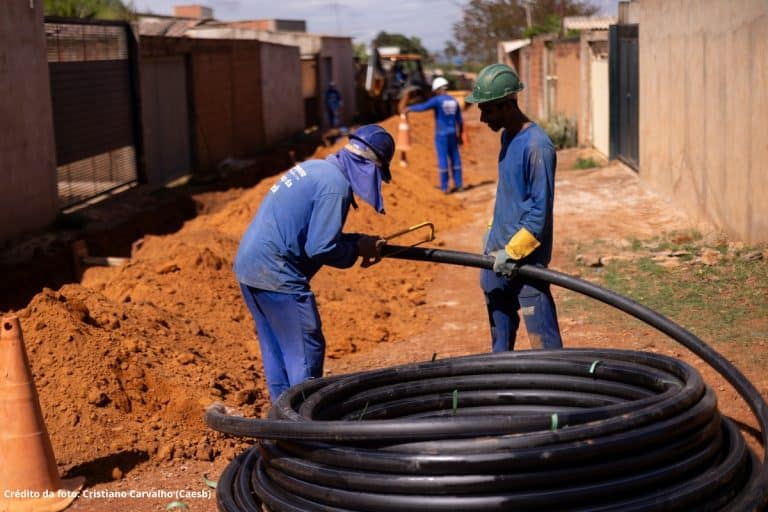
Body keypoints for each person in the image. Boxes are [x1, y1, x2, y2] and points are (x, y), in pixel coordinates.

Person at [233, 125, 395, 401]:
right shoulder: (336, 186)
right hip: (276, 272)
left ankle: (281, 425)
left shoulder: (315, 168)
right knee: (305, 351)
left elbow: (310, 232)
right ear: (370, 166)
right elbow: (320, 247)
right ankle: (304, 424)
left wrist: (357, 241)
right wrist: (356, 248)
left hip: (250, 267)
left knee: (277, 350)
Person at [465, 63, 563, 352]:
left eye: (487, 110)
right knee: (500, 348)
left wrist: (513, 252)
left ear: (508, 106)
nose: (482, 118)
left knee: (545, 349)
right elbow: (509, 195)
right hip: (495, 259)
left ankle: (556, 393)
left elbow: (539, 213)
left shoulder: (537, 147)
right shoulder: (507, 137)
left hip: (526, 264)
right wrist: (492, 233)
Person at [404, 76, 464, 193]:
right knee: (455, 158)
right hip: (453, 133)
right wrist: (460, 135)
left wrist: (409, 108)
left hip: (441, 134)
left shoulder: (437, 100)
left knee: (443, 159)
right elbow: (460, 120)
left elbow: (423, 106)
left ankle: (445, 187)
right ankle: (459, 185)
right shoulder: (453, 100)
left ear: (437, 89)